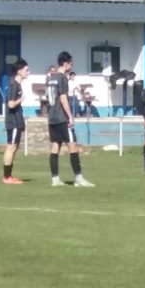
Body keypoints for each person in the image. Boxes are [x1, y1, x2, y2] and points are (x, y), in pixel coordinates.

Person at [46, 51, 95, 187]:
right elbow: (63, 98)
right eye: (70, 63)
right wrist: (70, 116)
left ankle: (55, 179)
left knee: (55, 146)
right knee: (73, 145)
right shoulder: (62, 78)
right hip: (61, 117)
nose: (71, 66)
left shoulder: (51, 78)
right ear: (65, 63)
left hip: (52, 117)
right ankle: (78, 178)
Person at [2, 58, 30, 185]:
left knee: (14, 147)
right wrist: (21, 99)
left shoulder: (17, 85)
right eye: (26, 70)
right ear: (19, 71)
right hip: (13, 121)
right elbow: (11, 104)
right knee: (11, 146)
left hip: (17, 121)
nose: (28, 72)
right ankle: (7, 177)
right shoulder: (14, 85)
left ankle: (9, 175)